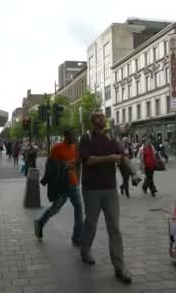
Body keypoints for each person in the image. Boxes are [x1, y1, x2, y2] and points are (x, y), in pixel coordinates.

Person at [79, 111, 132, 284]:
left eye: (103, 116)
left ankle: (119, 266)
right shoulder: (86, 138)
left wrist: (133, 172)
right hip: (92, 189)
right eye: (99, 117)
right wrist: (109, 158)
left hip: (110, 189)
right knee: (91, 222)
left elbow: (122, 155)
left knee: (114, 228)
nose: (103, 118)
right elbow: (87, 160)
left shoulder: (111, 138)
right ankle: (85, 249)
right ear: (93, 121)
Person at [34, 128, 83, 246]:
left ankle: (77, 237)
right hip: (62, 185)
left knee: (79, 209)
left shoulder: (75, 147)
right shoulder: (57, 148)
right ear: (66, 136)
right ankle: (40, 222)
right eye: (73, 135)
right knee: (55, 209)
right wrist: (48, 178)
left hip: (73, 184)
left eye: (75, 135)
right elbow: (50, 164)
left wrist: (78, 180)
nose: (75, 137)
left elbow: (78, 165)